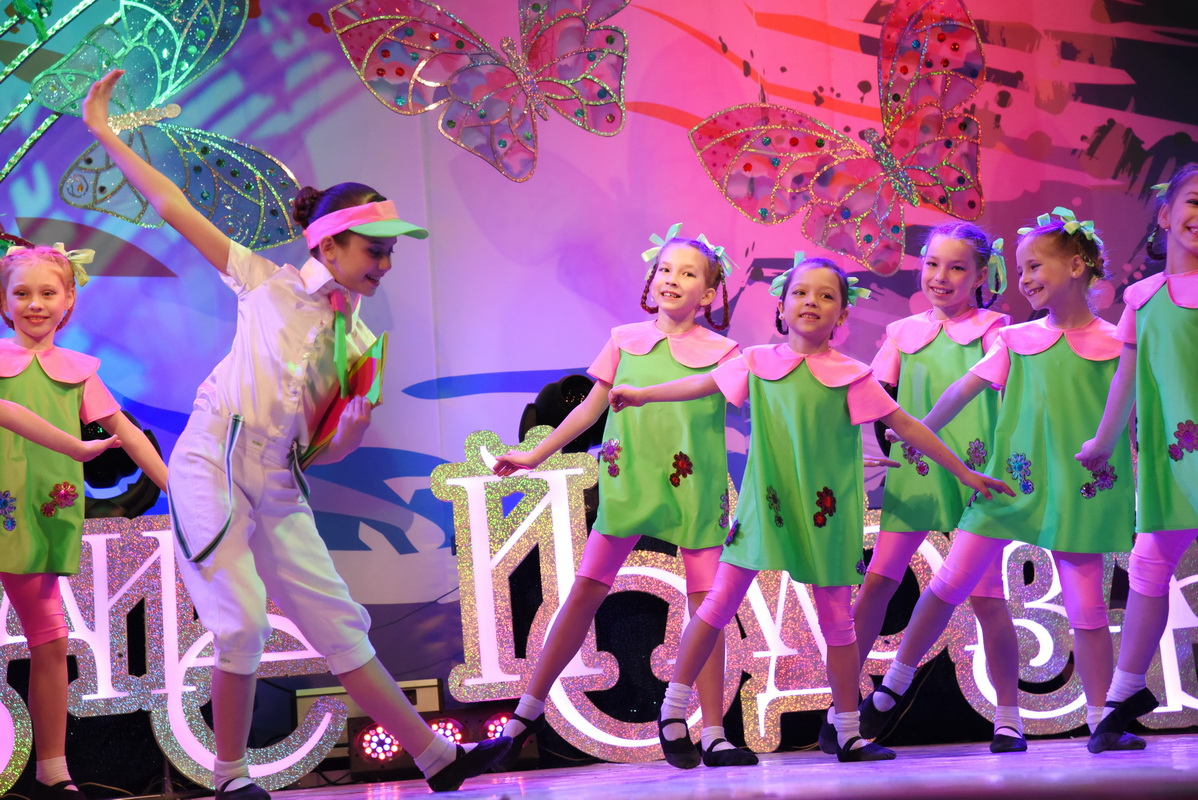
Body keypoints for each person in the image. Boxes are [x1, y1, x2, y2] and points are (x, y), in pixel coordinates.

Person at [82, 69, 509, 797]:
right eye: (374, 249)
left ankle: (436, 759)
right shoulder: (266, 282)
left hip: (280, 476)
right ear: (330, 245)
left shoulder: (360, 344)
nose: (385, 264)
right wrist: (103, 132)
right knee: (242, 623)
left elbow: (326, 449)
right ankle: (228, 776)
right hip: (213, 458)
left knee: (341, 623)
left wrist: (352, 430)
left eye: (391, 253)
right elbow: (172, 204)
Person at [608, 255, 1012, 764]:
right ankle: (672, 711)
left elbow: (908, 426)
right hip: (766, 505)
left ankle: (848, 731)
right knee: (716, 606)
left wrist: (966, 473)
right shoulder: (757, 362)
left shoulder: (852, 375)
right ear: (781, 306)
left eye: (825, 296)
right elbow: (701, 384)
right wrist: (642, 395)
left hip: (826, 515)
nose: (811, 302)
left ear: (842, 314)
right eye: (800, 293)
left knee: (839, 622)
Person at [861, 208, 1140, 752]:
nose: (1025, 278)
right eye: (1021, 269)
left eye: (1035, 266)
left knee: (1087, 609)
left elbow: (1136, 405)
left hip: (1078, 492)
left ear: (1077, 266)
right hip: (1006, 486)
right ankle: (894, 683)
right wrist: (915, 433)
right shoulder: (1014, 339)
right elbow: (958, 393)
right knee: (948, 584)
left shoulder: (1115, 343)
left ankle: (1102, 720)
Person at [491, 225, 756, 767]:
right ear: (651, 279)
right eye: (665, 269)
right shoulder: (624, 339)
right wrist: (535, 455)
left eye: (688, 273)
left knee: (707, 607)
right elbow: (589, 410)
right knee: (585, 592)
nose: (672, 279)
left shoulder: (725, 352)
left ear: (708, 293)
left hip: (694, 487)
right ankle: (525, 713)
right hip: (628, 480)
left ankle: (713, 732)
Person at [1, 242, 167, 799]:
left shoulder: (78, 373)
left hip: (42, 513)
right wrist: (75, 446)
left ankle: (53, 773)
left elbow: (128, 434)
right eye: (22, 293)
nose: (35, 304)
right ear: (3, 302)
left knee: (50, 642)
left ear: (69, 299)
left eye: (48, 292)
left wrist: (177, 488)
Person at [856, 223, 1022, 753]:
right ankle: (842, 704)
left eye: (956, 267)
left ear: (981, 275)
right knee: (878, 581)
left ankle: (1010, 717)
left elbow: (1006, 396)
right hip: (916, 471)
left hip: (976, 472)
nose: (940, 276)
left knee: (987, 598)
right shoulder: (902, 333)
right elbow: (871, 397)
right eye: (932, 264)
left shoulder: (997, 330)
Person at [1077, 164, 1198, 751]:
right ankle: (1120, 702)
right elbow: (1126, 379)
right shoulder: (1141, 298)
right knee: (1149, 565)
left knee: (1151, 564)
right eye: (1194, 201)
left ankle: (1120, 701)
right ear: (1166, 214)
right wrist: (1103, 442)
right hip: (1171, 455)